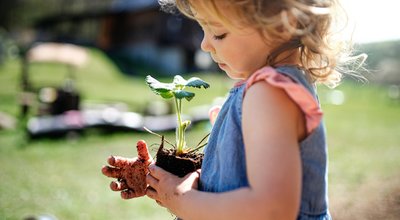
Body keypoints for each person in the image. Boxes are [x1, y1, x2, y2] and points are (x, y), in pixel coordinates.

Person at [102, 0, 366, 219]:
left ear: (282, 24)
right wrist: (163, 180)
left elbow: (271, 209)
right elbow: (235, 178)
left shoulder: (269, 94)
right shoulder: (267, 90)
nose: (206, 44)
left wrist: (183, 200)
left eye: (218, 33)